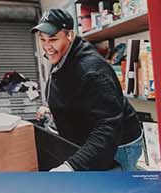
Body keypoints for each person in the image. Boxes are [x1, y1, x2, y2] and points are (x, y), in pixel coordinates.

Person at [31, 8, 146, 171]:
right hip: (91, 137)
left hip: (120, 146)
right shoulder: (62, 55)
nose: (47, 46)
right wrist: (53, 109)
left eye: (53, 39)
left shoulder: (92, 70)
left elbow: (108, 126)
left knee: (119, 188)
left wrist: (72, 166)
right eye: (42, 40)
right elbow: (76, 93)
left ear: (69, 35)